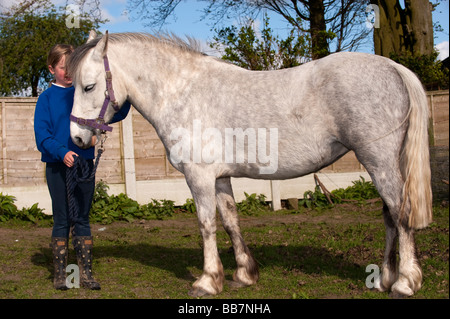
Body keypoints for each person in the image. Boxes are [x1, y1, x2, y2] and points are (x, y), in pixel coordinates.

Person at [34, 44, 130, 290]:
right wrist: (62, 151)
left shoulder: (82, 92)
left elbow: (115, 112)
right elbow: (42, 136)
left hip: (84, 164)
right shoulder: (45, 99)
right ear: (52, 69)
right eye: (63, 67)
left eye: (72, 67)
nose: (68, 72)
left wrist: (127, 94)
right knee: (62, 219)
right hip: (57, 166)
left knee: (83, 219)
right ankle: (60, 275)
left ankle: (85, 274)